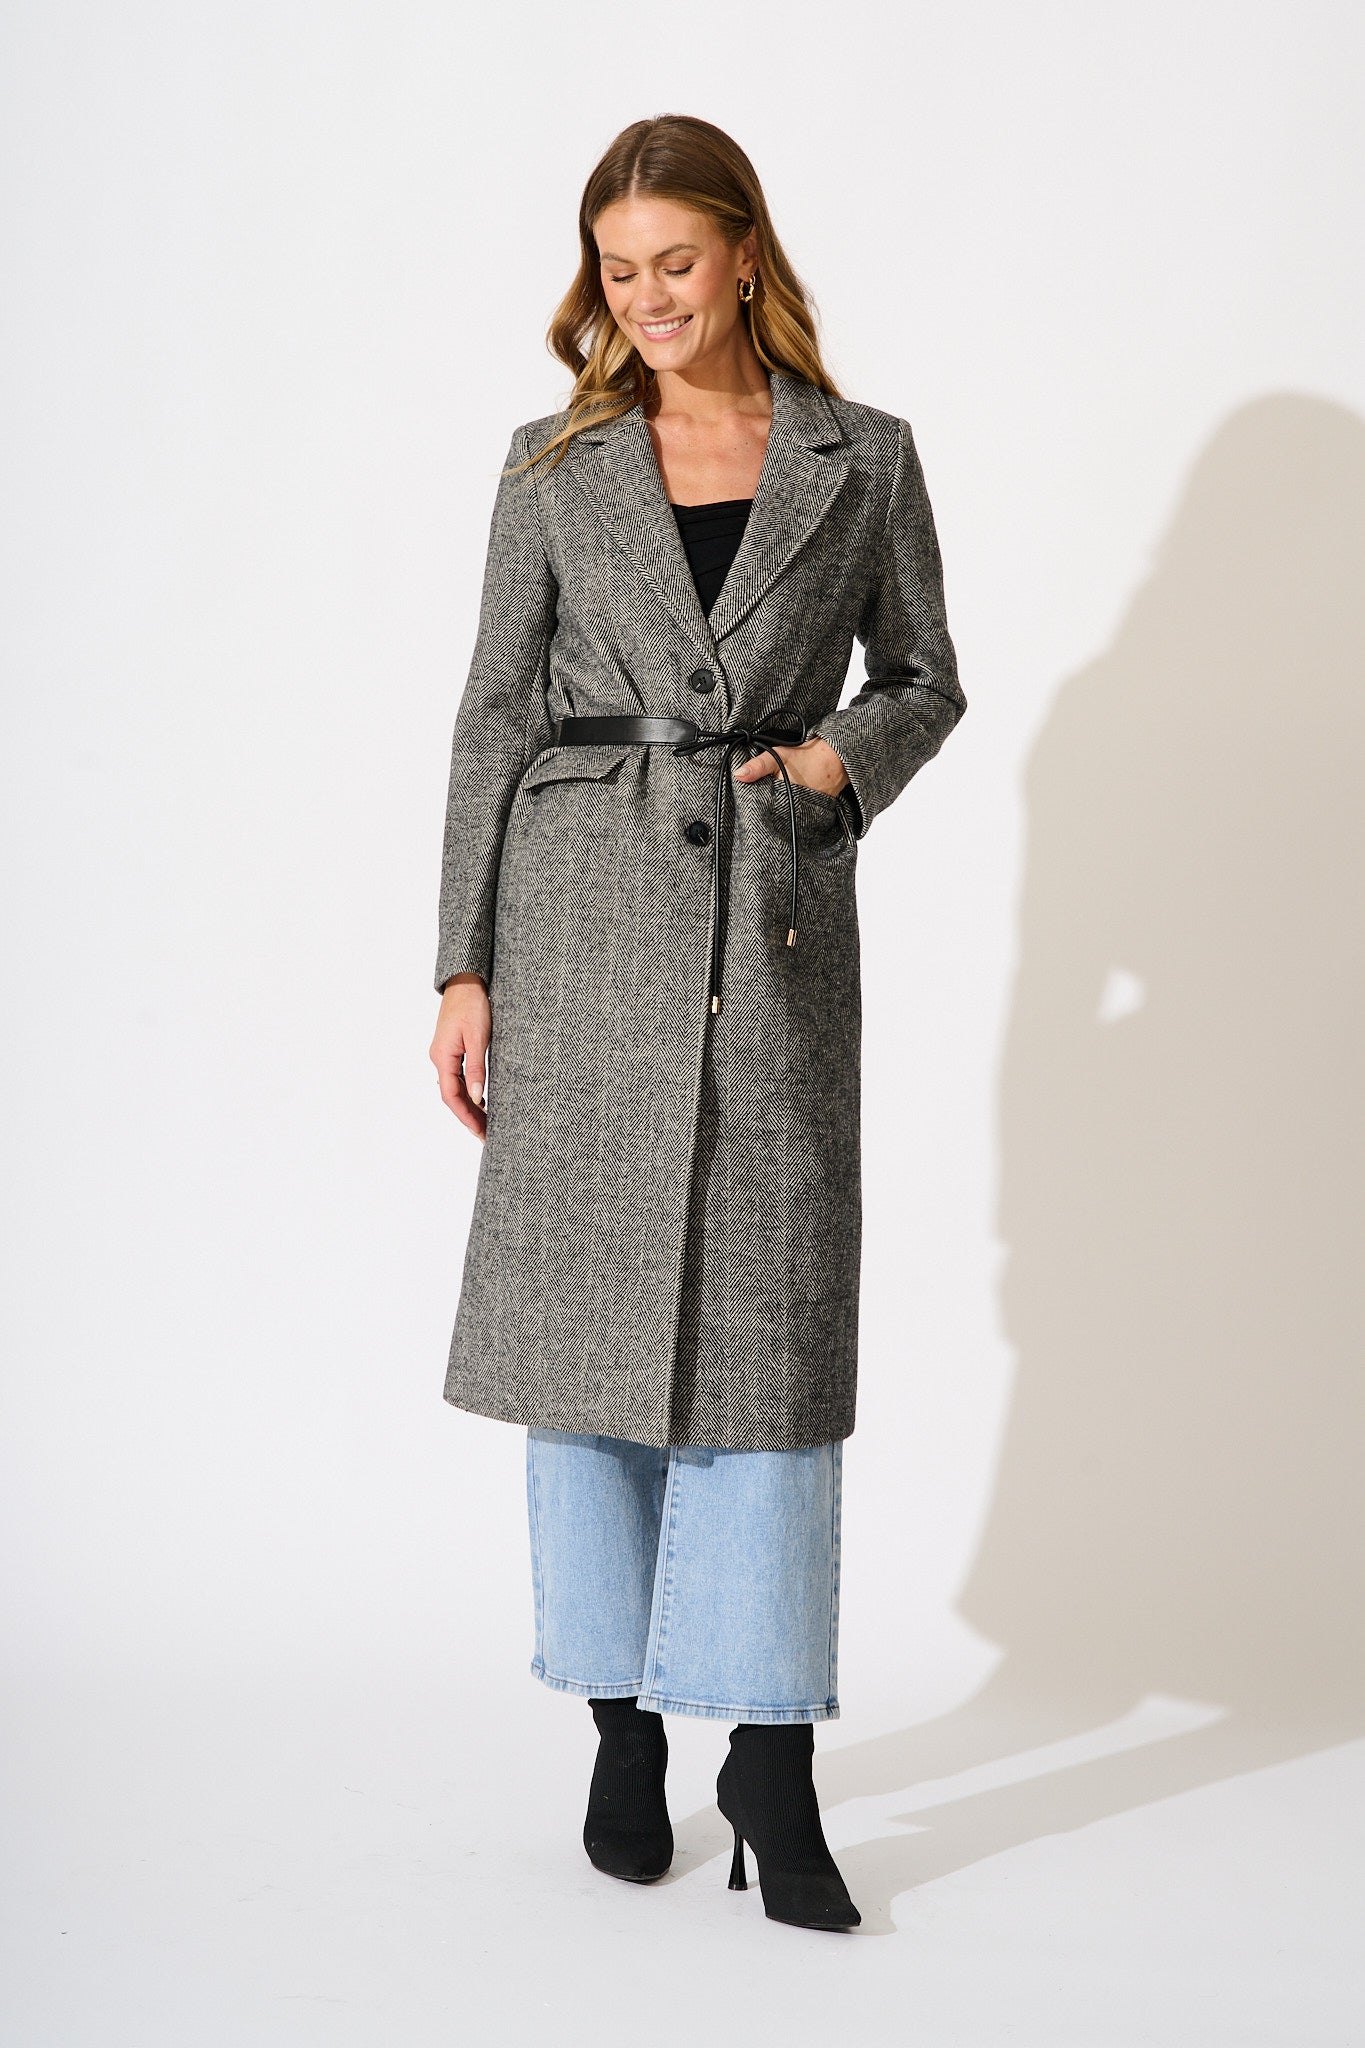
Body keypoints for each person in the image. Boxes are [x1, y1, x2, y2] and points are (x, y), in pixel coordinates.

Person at [429, 113, 965, 1933]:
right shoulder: (552, 465)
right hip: (577, 929)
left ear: (742, 254)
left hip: (772, 923)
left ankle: (771, 1760)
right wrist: (461, 965)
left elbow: (924, 676)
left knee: (768, 1347)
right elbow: (492, 717)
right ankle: (618, 1722)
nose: (647, 295)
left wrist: (833, 763)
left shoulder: (862, 456)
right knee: (584, 1344)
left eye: (675, 259)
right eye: (618, 268)